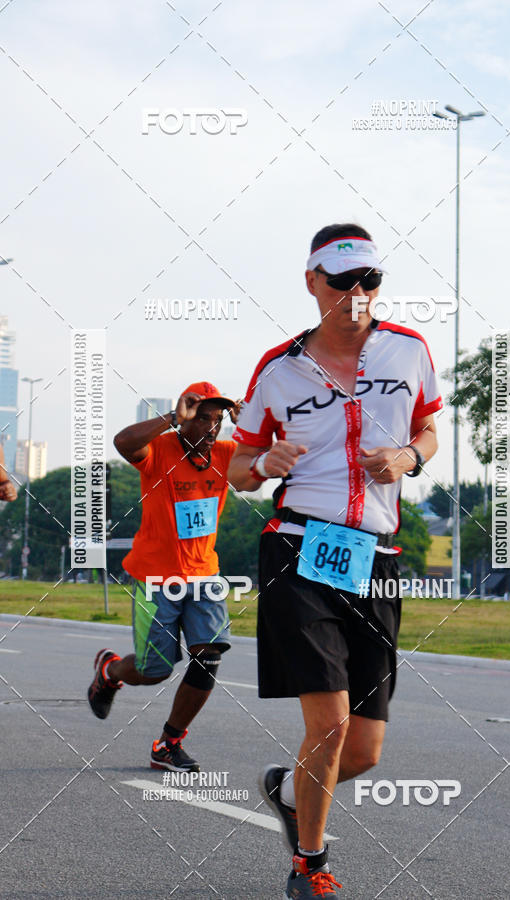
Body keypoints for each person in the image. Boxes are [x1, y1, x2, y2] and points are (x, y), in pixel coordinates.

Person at [228, 224, 442, 897]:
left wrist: (409, 456)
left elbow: (430, 429)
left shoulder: (411, 352)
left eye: (369, 280)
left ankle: (289, 791)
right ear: (312, 282)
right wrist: (263, 462)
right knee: (329, 722)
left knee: (365, 750)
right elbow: (237, 468)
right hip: (298, 547)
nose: (357, 293)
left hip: (376, 556)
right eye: (342, 280)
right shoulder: (278, 367)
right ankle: (310, 866)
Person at [87, 382, 239, 773]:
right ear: (186, 419)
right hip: (156, 577)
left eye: (218, 419)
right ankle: (111, 671)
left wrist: (253, 426)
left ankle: (168, 744)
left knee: (210, 654)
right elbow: (123, 442)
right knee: (154, 671)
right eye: (203, 417)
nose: (211, 427)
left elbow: (275, 461)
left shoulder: (225, 454)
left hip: (204, 574)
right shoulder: (160, 451)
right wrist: (173, 418)